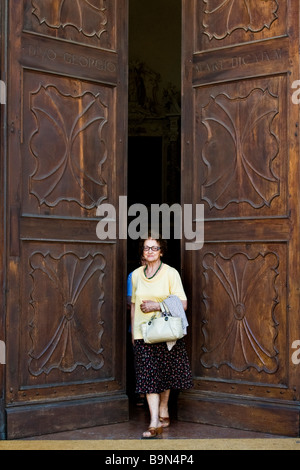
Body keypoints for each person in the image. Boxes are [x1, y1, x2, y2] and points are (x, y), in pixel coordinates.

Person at [131, 234, 193, 439]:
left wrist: (156, 305)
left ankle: (164, 408)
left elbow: (182, 304)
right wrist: (134, 332)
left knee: (165, 374)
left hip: (165, 332)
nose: (149, 251)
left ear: (161, 251)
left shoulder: (170, 273)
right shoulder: (137, 275)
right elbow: (133, 306)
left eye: (154, 248)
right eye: (146, 248)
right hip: (143, 333)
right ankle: (154, 422)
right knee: (149, 379)